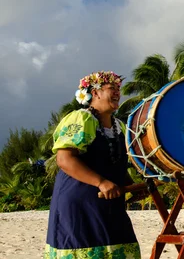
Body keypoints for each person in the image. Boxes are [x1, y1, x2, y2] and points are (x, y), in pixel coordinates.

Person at [44, 71, 141, 259]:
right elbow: (64, 159)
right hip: (79, 204)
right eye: (111, 88)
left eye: (118, 89)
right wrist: (101, 182)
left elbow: (113, 162)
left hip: (110, 204)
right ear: (95, 93)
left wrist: (130, 185)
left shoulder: (119, 126)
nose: (117, 93)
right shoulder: (82, 118)